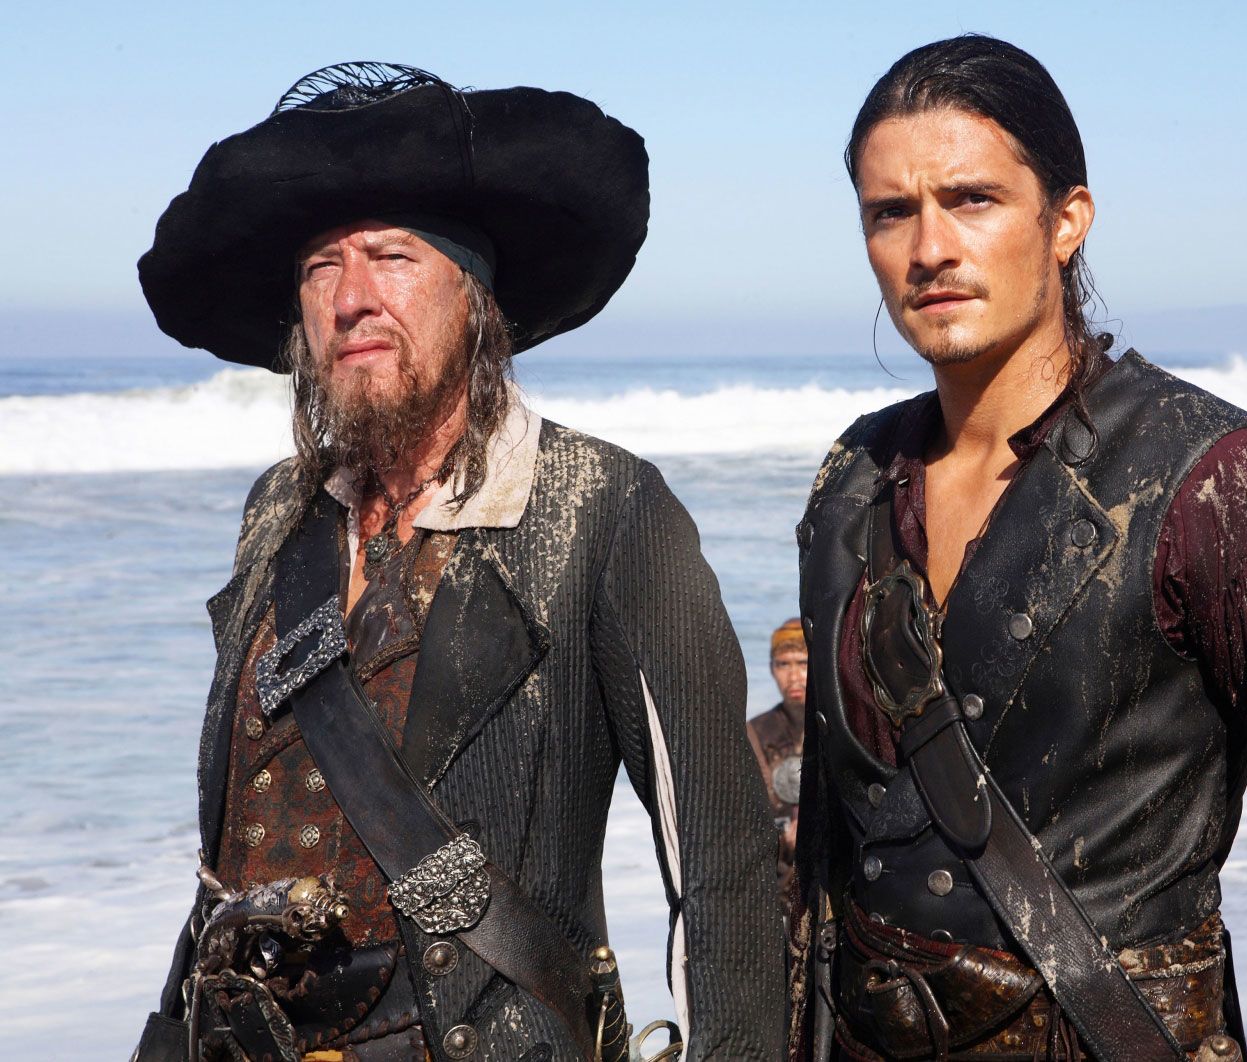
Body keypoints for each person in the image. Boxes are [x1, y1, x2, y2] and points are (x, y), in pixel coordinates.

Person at [787, 36, 1247, 1062]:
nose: (929, 247)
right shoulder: (851, 480)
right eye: (890, 212)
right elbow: (826, 865)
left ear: (1066, 218)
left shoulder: (1221, 481)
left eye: (973, 199)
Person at [131, 62, 781, 1061]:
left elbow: (721, 859)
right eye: (321, 267)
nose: (351, 299)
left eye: (391, 257)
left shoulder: (603, 505)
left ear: (473, 296)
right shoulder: (277, 513)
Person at [746, 619, 809, 896]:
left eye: (803, 663)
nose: (793, 676)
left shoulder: (841, 726)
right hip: (771, 884)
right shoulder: (755, 733)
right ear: (772, 669)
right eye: (783, 664)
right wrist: (782, 837)